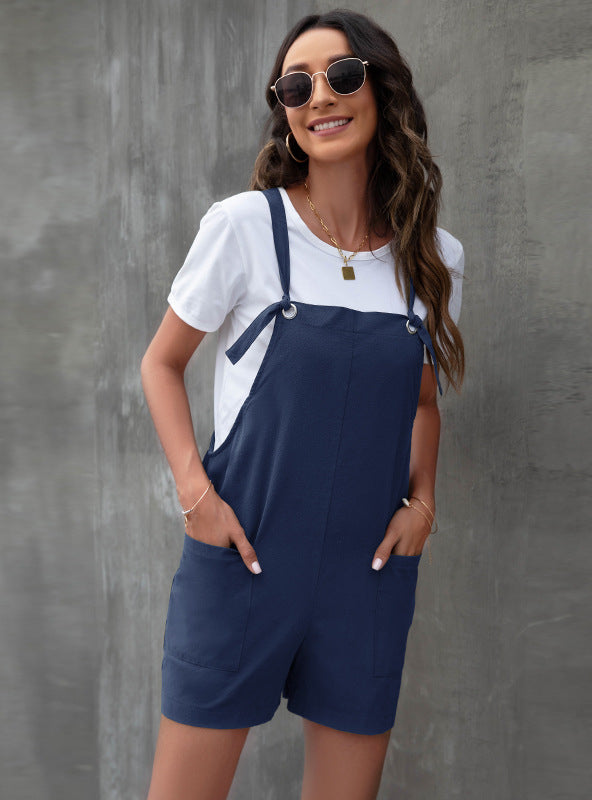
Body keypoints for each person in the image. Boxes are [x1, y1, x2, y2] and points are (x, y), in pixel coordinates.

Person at [141, 9, 465, 800]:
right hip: (244, 560)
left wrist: (424, 503)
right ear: (285, 111)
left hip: (368, 574)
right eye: (296, 85)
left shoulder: (433, 257)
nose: (319, 96)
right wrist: (196, 497)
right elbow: (161, 363)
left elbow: (423, 401)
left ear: (381, 91)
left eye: (341, 75)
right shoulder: (245, 228)